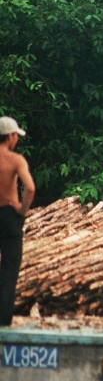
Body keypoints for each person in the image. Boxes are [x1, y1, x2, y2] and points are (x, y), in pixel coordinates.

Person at [0, 116, 35, 326]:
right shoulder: (15, 160)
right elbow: (29, 188)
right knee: (9, 267)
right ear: (11, 137)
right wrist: (22, 210)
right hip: (9, 216)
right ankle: (3, 319)